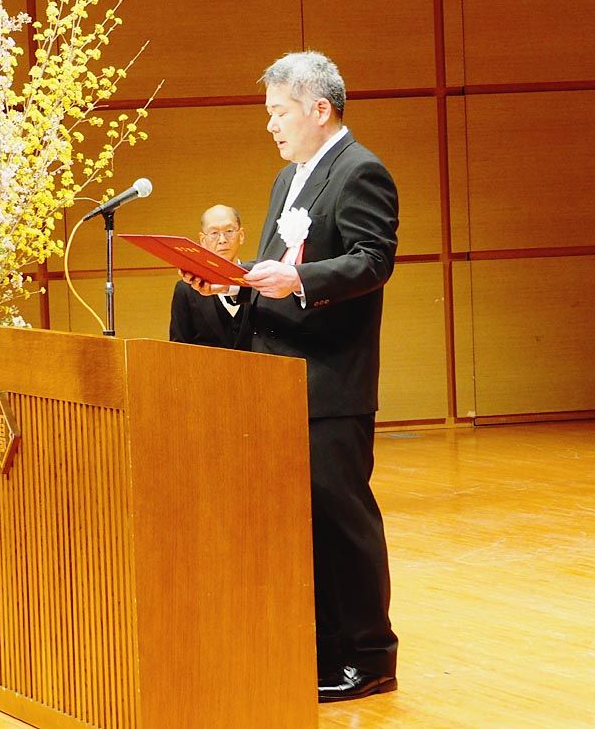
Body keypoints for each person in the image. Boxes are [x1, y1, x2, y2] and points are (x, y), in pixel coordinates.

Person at [185, 51, 400, 702]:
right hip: (280, 382)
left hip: (329, 379)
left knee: (343, 520)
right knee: (301, 523)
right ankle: (322, 647)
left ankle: (369, 655)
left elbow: (373, 260)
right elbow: (275, 267)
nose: (271, 125)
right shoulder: (290, 178)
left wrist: (301, 279)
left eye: (279, 112)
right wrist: (229, 281)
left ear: (319, 109)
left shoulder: (360, 170)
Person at [169, 204, 252, 349]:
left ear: (241, 235)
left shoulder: (257, 281)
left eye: (229, 231)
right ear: (202, 240)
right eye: (214, 233)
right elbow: (178, 348)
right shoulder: (186, 289)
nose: (222, 240)